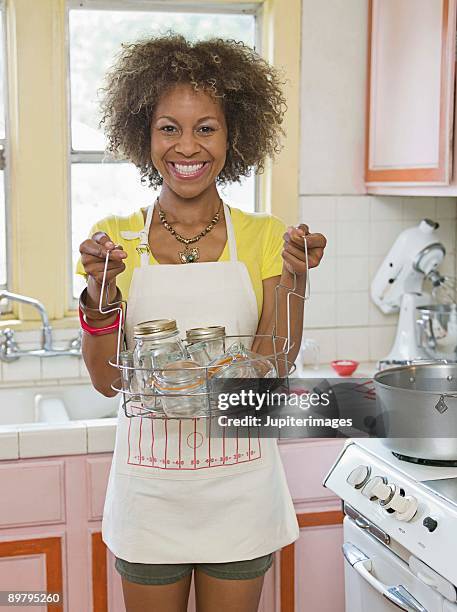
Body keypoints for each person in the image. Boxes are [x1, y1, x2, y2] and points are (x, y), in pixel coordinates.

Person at [77, 33, 326, 612]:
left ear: (233, 135)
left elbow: (272, 364)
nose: (187, 145)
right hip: (149, 489)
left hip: (239, 486)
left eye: (206, 128)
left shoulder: (265, 236)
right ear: (145, 134)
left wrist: (296, 279)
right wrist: (100, 294)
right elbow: (107, 381)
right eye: (169, 127)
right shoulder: (116, 238)